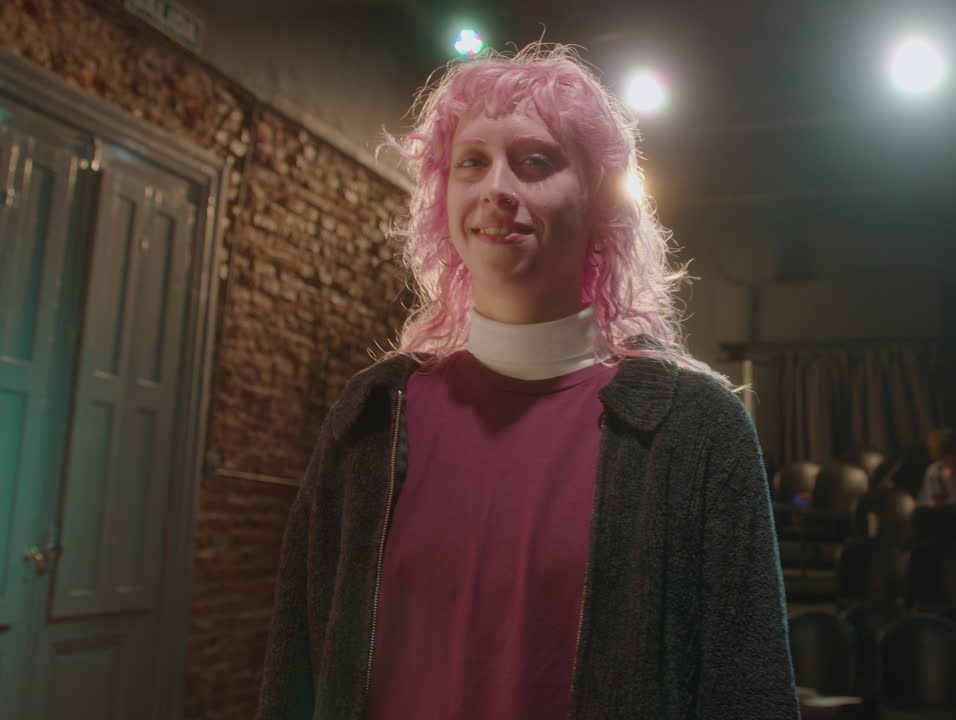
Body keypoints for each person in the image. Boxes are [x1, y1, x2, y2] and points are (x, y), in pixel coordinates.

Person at [254, 44, 799, 720]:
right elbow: (295, 673)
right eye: (472, 163)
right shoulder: (373, 415)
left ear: (599, 203)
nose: (496, 189)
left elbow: (749, 694)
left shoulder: (695, 428)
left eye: (535, 161)